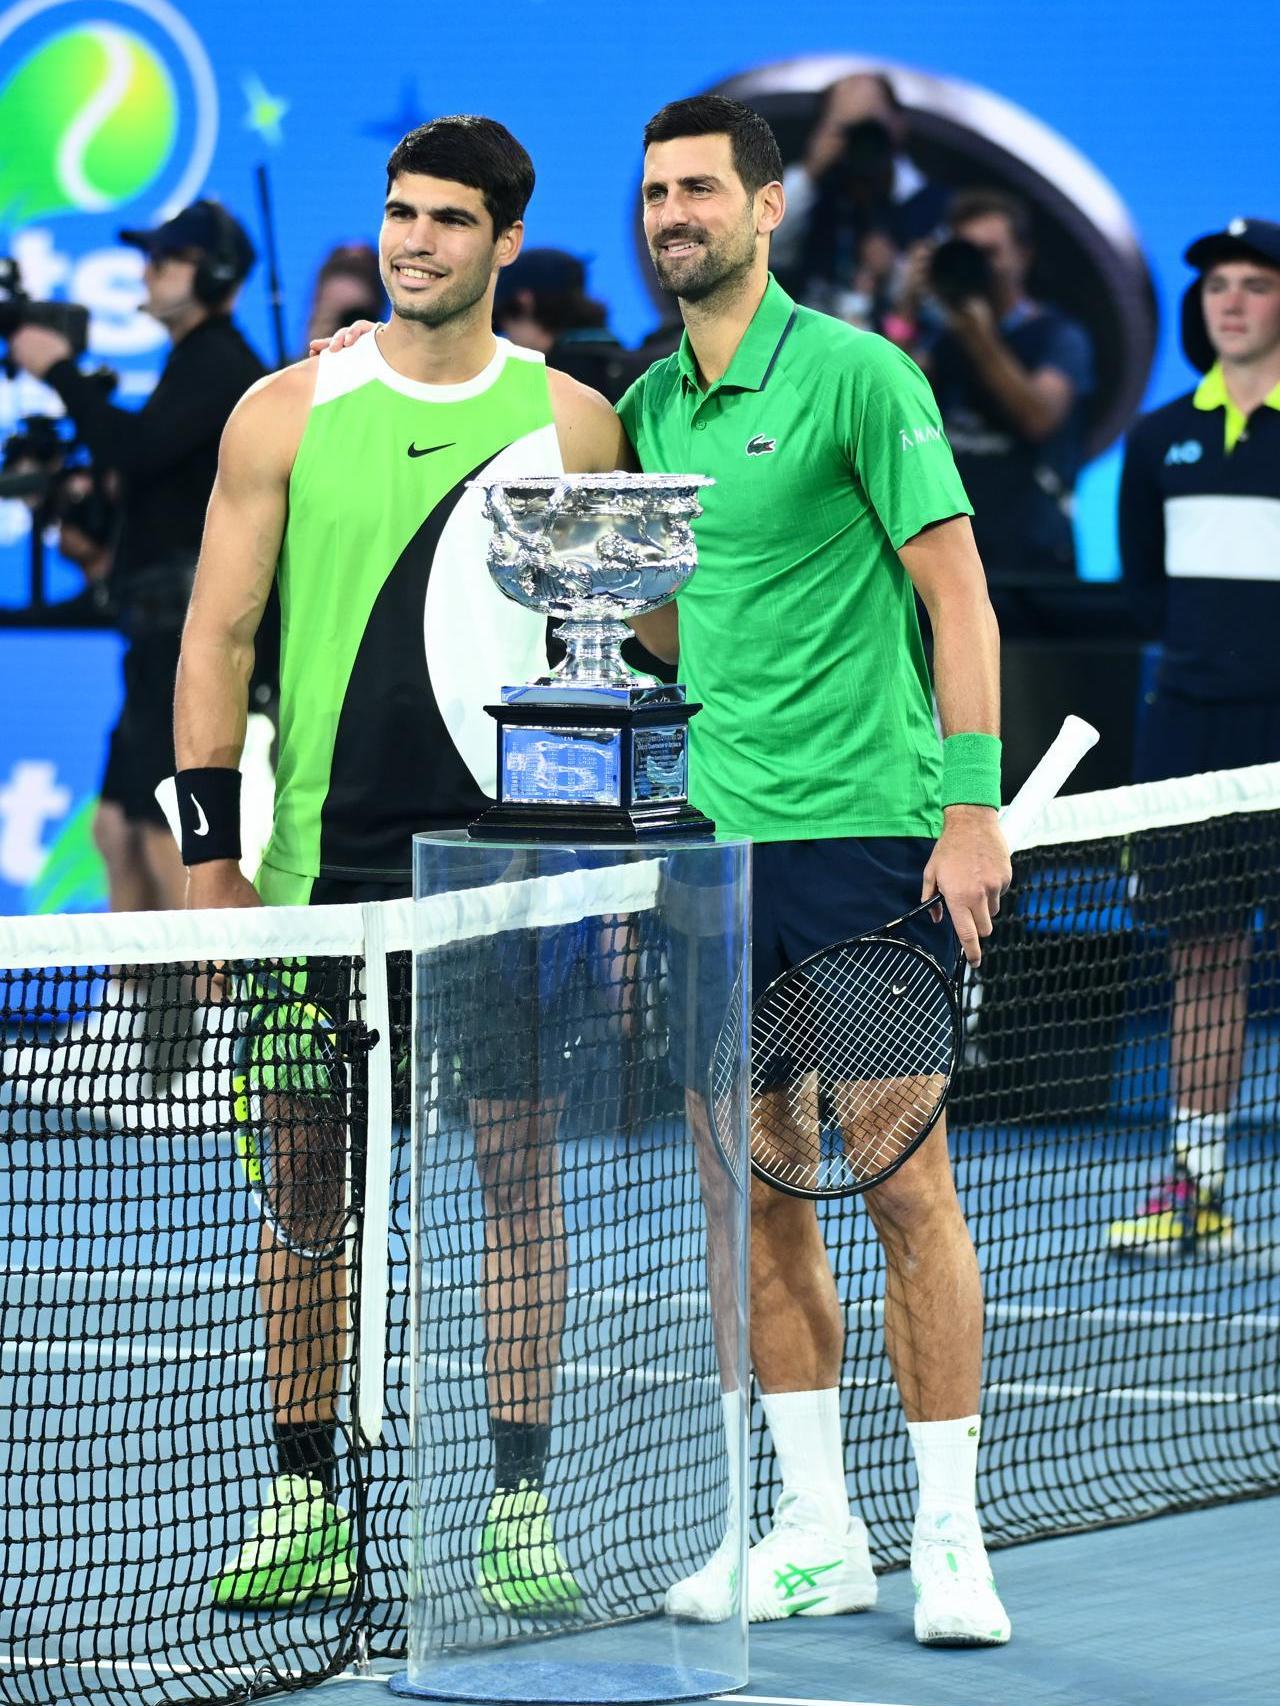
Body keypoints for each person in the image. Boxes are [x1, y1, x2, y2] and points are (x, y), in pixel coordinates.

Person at [175, 116, 630, 1612]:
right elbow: (215, 641)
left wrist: (608, 871)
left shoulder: (571, 426)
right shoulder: (284, 412)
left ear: (506, 242)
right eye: (397, 213)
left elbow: (616, 664)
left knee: (516, 1182)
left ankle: (518, 1504)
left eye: (446, 219)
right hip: (313, 883)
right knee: (302, 1188)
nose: (412, 240)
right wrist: (208, 858)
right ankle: (301, 1494)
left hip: (499, 893)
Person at [621, 95, 1012, 1646]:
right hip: (711, 856)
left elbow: (959, 597)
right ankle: (813, 1529)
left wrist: (970, 810)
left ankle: (950, 1540)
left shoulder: (862, 375)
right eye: (654, 193)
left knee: (900, 1182)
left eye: (701, 190)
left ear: (767, 207)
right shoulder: (648, 410)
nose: (673, 216)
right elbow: (669, 629)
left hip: (860, 841)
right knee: (747, 1197)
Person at [8, 200, 264, 914]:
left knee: (162, 834)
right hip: (155, 637)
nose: (143, 276)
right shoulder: (193, 363)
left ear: (212, 276)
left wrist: (60, 372)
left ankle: (214, 1013)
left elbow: (139, 450)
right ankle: (143, 1017)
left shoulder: (220, 363)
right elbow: (148, 471)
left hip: (183, 639)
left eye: (162, 261)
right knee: (116, 830)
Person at [1109, 217, 1280, 1257]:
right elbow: (1143, 594)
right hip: (1187, 738)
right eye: (1217, 283)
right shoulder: (1153, 438)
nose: (1230, 299)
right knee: (1203, 956)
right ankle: (1197, 1188)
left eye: (1253, 283)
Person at [901, 188, 1094, 630]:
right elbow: (882, 410)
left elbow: (1038, 418)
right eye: (967, 252)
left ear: (1023, 256)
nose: (980, 266)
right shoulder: (940, 339)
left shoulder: (1058, 337)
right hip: (948, 562)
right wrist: (907, 306)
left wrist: (978, 334)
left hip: (1031, 570)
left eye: (990, 252)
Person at [769, 72, 947, 330]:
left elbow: (948, 307)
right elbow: (761, 250)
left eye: (872, 130)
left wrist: (895, 272)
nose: (862, 143)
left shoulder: (935, 205)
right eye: (849, 130)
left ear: (899, 125)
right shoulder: (813, 193)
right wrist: (811, 170)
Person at [493, 246, 644, 404]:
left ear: (524, 302)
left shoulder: (534, 388)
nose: (509, 339)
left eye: (505, 324)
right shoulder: (638, 372)